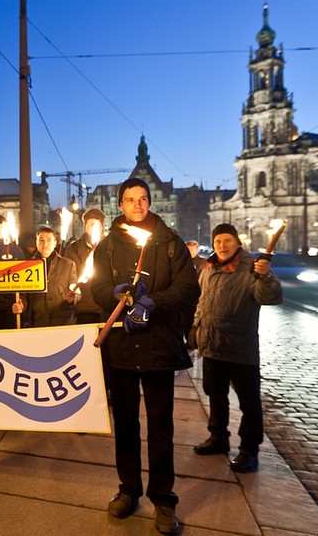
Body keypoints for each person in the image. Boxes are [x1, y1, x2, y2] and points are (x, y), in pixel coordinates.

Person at [90, 177, 200, 535]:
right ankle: (129, 489)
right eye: (130, 199)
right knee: (125, 425)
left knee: (160, 427)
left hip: (157, 347)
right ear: (119, 205)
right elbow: (98, 287)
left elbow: (187, 288)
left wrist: (154, 302)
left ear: (149, 202)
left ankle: (164, 498)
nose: (137, 204)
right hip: (121, 349)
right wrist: (116, 295)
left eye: (143, 199)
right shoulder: (106, 247)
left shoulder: (169, 242)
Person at [191, 224, 282, 473]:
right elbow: (202, 300)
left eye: (227, 240)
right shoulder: (209, 267)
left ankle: (249, 450)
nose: (222, 245)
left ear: (237, 242)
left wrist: (266, 276)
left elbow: (269, 297)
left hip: (240, 346)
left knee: (249, 402)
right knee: (215, 395)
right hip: (211, 344)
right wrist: (195, 329)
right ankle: (218, 438)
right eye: (218, 240)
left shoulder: (251, 267)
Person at [12, 226, 79, 327]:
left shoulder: (68, 265)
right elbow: (23, 294)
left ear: (55, 243)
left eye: (49, 240)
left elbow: (76, 291)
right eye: (41, 240)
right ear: (36, 242)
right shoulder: (26, 266)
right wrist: (21, 306)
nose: (45, 244)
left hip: (63, 322)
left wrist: (73, 298)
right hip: (38, 322)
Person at [64, 208, 106, 324]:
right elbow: (71, 275)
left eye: (96, 225)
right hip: (85, 308)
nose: (93, 228)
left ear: (102, 226)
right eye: (90, 224)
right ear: (84, 226)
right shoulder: (74, 249)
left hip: (107, 306)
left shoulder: (110, 247)